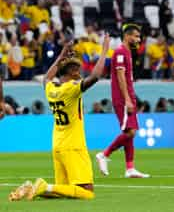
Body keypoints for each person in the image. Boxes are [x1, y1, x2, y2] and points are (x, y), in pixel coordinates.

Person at [8, 34, 110, 201]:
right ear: (70, 71)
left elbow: (47, 77)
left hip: (58, 145)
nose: (79, 72)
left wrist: (61, 55)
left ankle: (32, 189)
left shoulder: (52, 89)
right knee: (88, 192)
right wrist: (104, 50)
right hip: (74, 146)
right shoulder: (71, 88)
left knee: (63, 191)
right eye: (76, 69)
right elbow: (95, 76)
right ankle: (43, 186)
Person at [96, 24, 150, 178]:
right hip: (122, 97)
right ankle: (104, 154)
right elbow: (120, 76)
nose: (138, 39)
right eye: (136, 36)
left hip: (128, 95)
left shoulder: (127, 52)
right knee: (131, 131)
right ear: (127, 36)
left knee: (129, 132)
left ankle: (130, 168)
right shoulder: (120, 52)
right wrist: (127, 99)